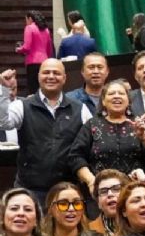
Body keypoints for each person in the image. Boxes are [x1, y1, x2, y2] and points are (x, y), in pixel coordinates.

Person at [0, 62, 92, 204]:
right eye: (46, 72)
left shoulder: (80, 109)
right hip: (30, 190)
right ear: (38, 76)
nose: (51, 76)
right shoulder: (22, 105)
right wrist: (4, 89)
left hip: (67, 191)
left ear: (64, 78)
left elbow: (90, 143)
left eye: (56, 73)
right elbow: (4, 123)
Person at [69, 79, 145, 191]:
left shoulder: (138, 122)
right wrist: (91, 181)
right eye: (111, 94)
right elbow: (75, 156)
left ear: (129, 100)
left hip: (135, 190)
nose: (116, 96)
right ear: (103, 101)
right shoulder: (92, 124)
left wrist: (143, 136)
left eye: (121, 93)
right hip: (102, 191)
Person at [17, 11, 54, 88]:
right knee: (44, 87)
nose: (26, 22)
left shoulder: (29, 28)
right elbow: (49, 49)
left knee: (33, 87)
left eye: (26, 20)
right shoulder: (46, 30)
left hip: (33, 62)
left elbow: (26, 47)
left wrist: (19, 49)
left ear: (30, 18)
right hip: (44, 62)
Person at [89, 169, 130, 236]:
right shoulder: (89, 231)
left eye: (116, 189)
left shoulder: (142, 222)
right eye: (103, 191)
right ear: (98, 203)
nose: (110, 194)